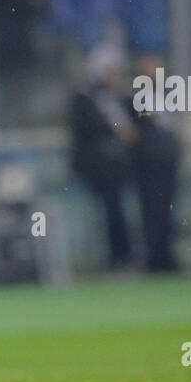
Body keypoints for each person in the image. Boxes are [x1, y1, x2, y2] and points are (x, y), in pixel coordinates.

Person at [69, 44, 137, 269]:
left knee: (119, 211)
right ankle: (117, 258)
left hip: (118, 168)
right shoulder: (85, 98)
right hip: (97, 169)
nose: (115, 77)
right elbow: (90, 130)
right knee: (110, 211)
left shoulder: (118, 99)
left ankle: (125, 256)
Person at [131, 53, 180, 272]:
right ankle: (154, 260)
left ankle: (167, 258)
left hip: (167, 162)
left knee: (167, 211)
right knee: (151, 212)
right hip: (147, 163)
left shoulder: (169, 95)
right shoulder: (135, 97)